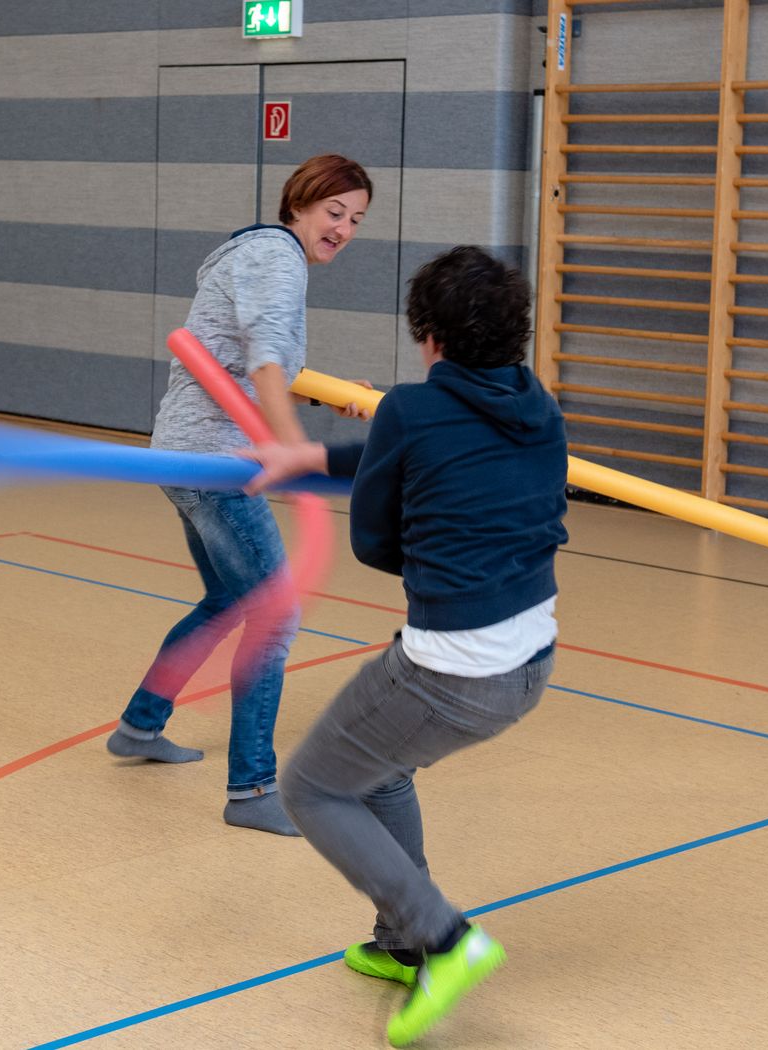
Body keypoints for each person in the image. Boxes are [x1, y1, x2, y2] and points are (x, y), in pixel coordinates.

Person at [248, 246, 568, 1045]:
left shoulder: (409, 411)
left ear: (430, 337)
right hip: (530, 660)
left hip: (452, 669)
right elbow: (418, 456)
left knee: (313, 787)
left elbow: (376, 542)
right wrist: (317, 455)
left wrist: (383, 476)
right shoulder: (539, 404)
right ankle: (400, 942)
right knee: (379, 766)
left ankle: (446, 938)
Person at [106, 154, 372, 838]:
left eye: (356, 219)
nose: (342, 228)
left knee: (229, 598)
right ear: (300, 205)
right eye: (333, 212)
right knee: (275, 614)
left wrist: (333, 398)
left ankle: (140, 726)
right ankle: (251, 789)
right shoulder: (278, 260)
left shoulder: (255, 254)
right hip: (217, 461)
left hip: (184, 450)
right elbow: (261, 357)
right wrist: (290, 450)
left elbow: (264, 362)